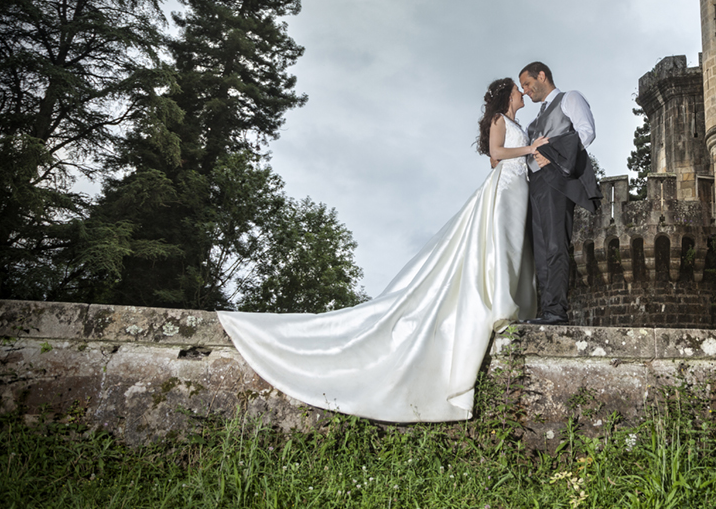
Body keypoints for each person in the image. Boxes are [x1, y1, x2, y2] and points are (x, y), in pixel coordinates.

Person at [217, 78, 544, 423]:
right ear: (508, 94)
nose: (523, 93)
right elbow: (495, 156)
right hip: (504, 192)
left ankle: (508, 304)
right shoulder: (499, 121)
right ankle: (497, 306)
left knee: (510, 250)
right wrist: (530, 149)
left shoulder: (517, 124)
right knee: (495, 248)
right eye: (518, 89)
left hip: (516, 189)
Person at [519, 61, 601, 326]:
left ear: (542, 76)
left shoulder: (570, 98)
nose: (525, 91)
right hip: (536, 184)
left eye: (528, 84)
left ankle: (556, 312)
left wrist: (551, 154)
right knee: (541, 249)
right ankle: (546, 310)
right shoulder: (532, 123)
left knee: (555, 244)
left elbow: (586, 133)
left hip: (557, 180)